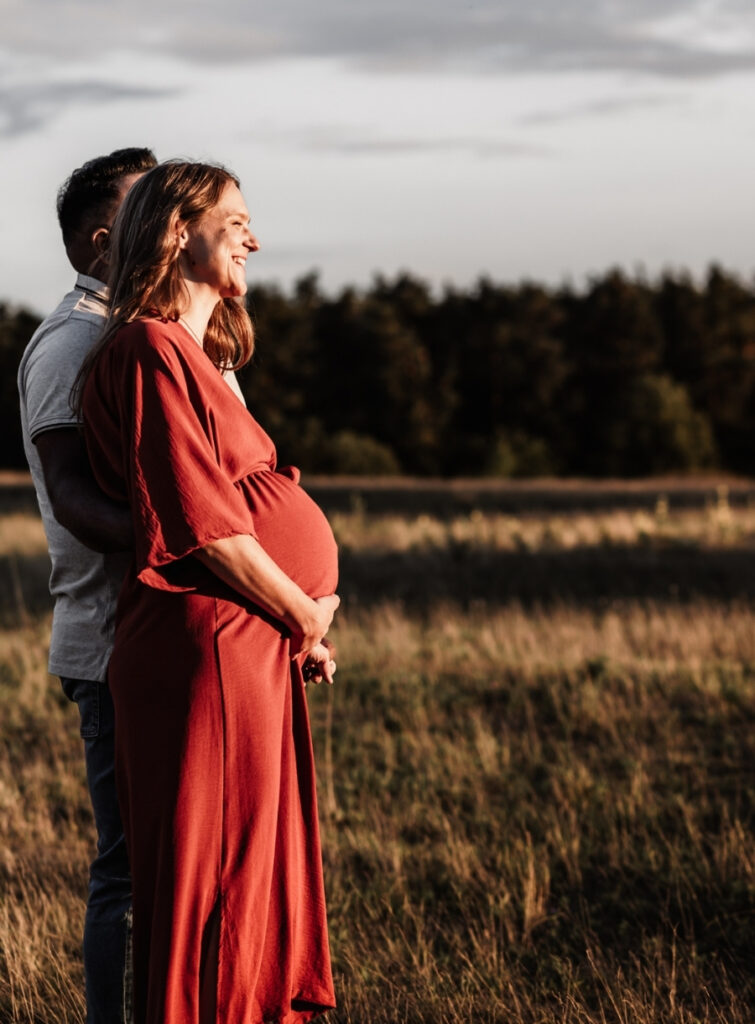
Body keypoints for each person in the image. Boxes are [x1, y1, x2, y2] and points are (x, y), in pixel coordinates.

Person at [77, 160, 340, 1024]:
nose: (256, 239)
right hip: (209, 648)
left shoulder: (193, 354)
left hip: (244, 644)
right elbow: (202, 522)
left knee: (249, 873)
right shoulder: (148, 350)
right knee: (215, 885)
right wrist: (303, 611)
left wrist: (300, 619)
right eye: (238, 222)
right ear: (180, 229)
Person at [17, 146, 158, 1024]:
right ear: (105, 240)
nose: (176, 222)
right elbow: (71, 498)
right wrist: (193, 545)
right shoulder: (73, 342)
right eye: (154, 210)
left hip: (168, 635)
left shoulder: (148, 329)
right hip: (113, 645)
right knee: (130, 871)